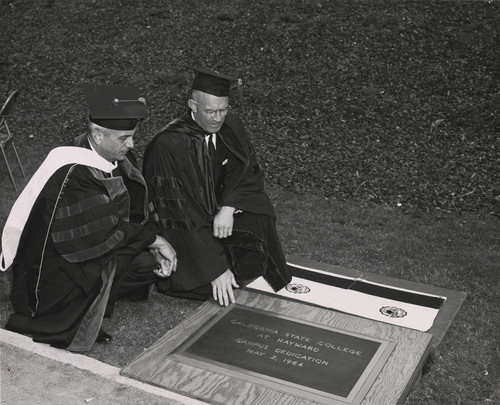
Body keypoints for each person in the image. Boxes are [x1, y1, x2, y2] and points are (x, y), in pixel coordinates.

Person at [0, 84, 177, 352]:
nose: (131, 144)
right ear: (97, 133)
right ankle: (75, 320)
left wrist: (150, 237)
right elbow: (101, 233)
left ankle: (96, 310)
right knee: (114, 259)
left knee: (139, 261)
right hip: (54, 267)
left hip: (81, 245)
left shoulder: (111, 154)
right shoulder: (76, 172)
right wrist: (155, 240)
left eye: (132, 136)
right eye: (124, 138)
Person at [142, 67, 291, 307]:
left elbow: (247, 171)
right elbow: (180, 211)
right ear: (192, 105)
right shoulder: (170, 144)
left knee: (258, 208)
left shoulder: (230, 125)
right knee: (210, 281)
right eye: (210, 111)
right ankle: (209, 273)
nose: (217, 118)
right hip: (181, 228)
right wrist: (215, 267)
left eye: (223, 110)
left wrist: (229, 207)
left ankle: (235, 267)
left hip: (215, 212)